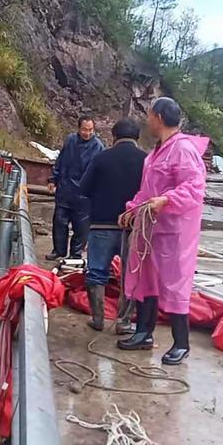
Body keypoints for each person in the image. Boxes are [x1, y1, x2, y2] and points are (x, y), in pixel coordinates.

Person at [117, 97, 208, 366]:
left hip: (175, 232)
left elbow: (194, 187)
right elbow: (148, 191)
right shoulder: (159, 150)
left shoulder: (182, 150)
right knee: (148, 280)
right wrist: (132, 209)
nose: (147, 119)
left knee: (175, 283)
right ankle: (144, 332)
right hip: (153, 230)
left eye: (149, 114)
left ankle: (181, 344)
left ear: (158, 117)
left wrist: (167, 200)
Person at [80, 119, 146, 332]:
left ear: (114, 136)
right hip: (133, 227)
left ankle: (98, 319)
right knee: (130, 274)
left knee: (96, 272)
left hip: (101, 225)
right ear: (137, 137)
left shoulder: (101, 157)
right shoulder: (147, 160)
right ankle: (123, 322)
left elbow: (84, 188)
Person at [46, 116, 104, 261]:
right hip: (65, 189)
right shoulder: (70, 140)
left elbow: (100, 171)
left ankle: (75, 254)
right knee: (60, 222)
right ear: (79, 129)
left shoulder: (98, 147)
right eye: (85, 129)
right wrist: (53, 179)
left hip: (84, 195)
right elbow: (60, 161)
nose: (88, 133)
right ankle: (58, 250)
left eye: (90, 130)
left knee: (81, 227)